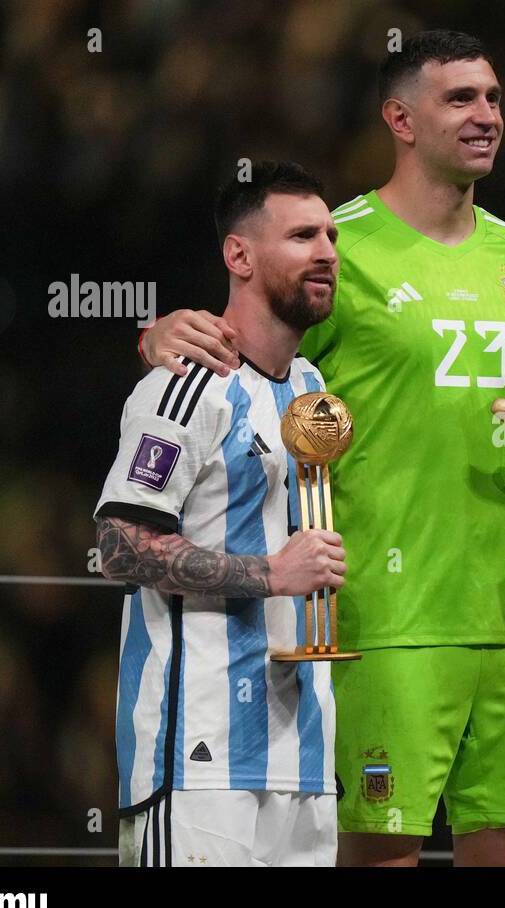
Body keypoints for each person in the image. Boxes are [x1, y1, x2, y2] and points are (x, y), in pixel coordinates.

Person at [138, 31, 505, 867]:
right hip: (387, 617)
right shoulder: (336, 249)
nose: (486, 115)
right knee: (373, 858)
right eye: (460, 99)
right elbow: (236, 346)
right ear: (401, 118)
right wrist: (161, 330)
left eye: (493, 98)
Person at [95, 161, 347, 866]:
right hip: (198, 758)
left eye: (330, 234)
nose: (326, 250)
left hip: (302, 757)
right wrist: (272, 572)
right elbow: (119, 545)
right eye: (301, 235)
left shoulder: (311, 386)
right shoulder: (185, 382)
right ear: (239, 255)